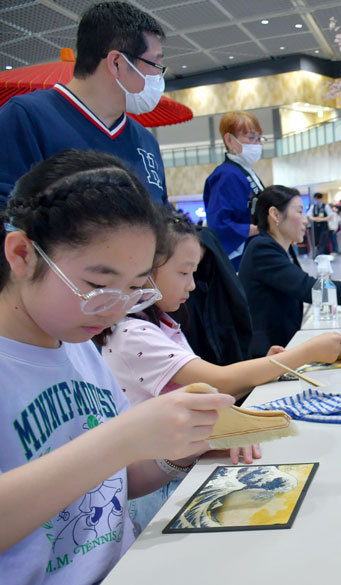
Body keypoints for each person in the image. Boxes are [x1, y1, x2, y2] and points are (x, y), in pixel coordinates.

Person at [0, 149, 234, 581]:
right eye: (98, 285)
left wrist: (179, 452)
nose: (116, 310)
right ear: (22, 255)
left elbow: (114, 479)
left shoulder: (77, 342)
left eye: (134, 289)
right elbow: (110, 451)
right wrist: (122, 438)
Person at [98, 206, 341, 529]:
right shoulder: (133, 335)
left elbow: (211, 388)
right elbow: (222, 382)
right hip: (160, 491)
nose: (191, 285)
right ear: (147, 268)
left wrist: (270, 365)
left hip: (180, 468)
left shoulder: (161, 325)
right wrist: (303, 354)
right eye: (183, 272)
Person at [0, 1, 169, 207]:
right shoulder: (26, 118)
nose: (158, 76)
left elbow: (162, 216)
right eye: (155, 64)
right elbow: (7, 216)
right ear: (117, 63)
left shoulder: (145, 141)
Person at [239, 186, 341, 355]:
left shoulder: (279, 248)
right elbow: (309, 288)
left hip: (283, 344)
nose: (305, 220)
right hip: (267, 352)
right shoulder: (261, 249)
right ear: (275, 214)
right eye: (300, 212)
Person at [203, 111, 264, 270]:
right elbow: (219, 224)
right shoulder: (226, 175)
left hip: (253, 253)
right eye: (251, 138)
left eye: (259, 139)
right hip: (240, 259)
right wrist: (262, 229)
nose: (256, 144)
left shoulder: (245, 171)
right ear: (229, 140)